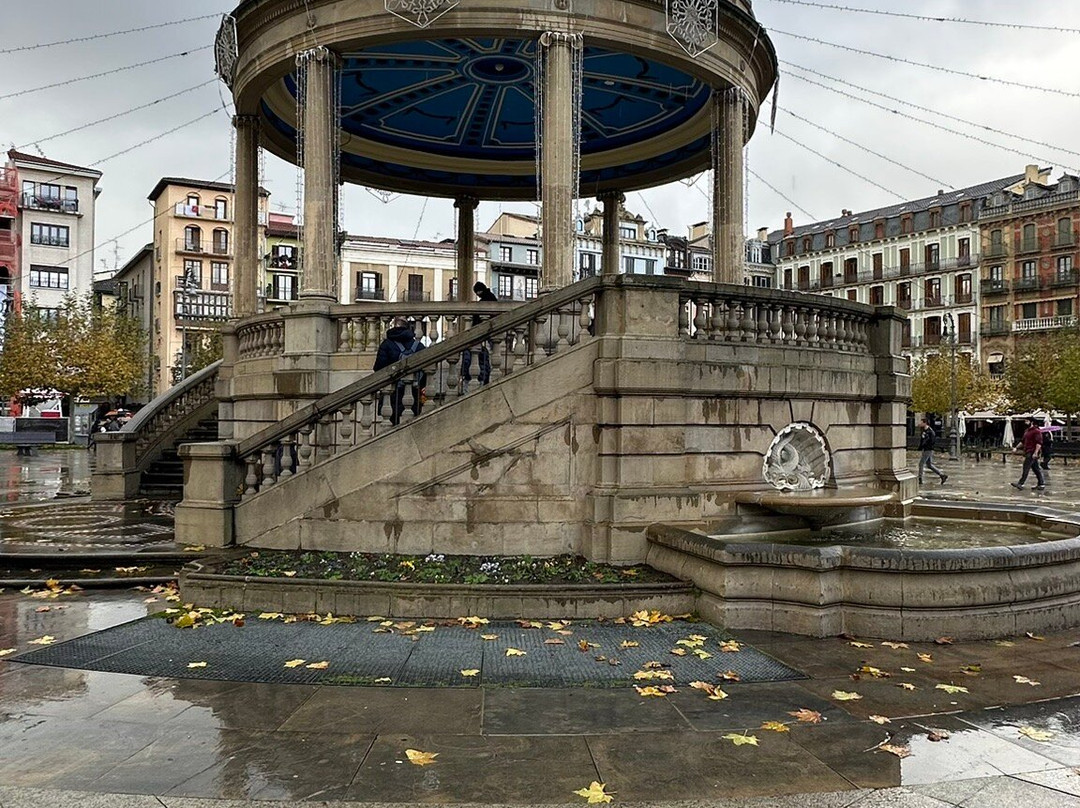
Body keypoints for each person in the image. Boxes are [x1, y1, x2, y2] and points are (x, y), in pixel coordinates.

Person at [373, 318, 425, 425]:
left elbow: (378, 368)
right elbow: (426, 370)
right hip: (413, 393)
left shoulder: (386, 345)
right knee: (412, 424)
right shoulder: (418, 345)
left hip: (392, 394)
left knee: (391, 426)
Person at [462, 281, 497, 389]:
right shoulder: (491, 298)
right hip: (488, 331)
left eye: (477, 292)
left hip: (485, 332)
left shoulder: (484, 301)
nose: (477, 294)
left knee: (485, 354)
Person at [1011, 418, 1046, 491]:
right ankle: (1041, 484)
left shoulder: (1036, 431)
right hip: (1027, 451)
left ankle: (1021, 483)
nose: (1025, 422)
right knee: (1036, 468)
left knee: (1026, 467)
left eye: (1027, 421)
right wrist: (1016, 448)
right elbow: (1023, 441)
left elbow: (1039, 443)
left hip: (1032, 452)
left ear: (1032, 422)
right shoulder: (1027, 431)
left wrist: (1036, 452)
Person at [917, 417, 948, 485]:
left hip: (928, 449)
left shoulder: (930, 431)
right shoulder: (924, 431)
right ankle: (942, 475)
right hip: (926, 449)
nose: (919, 423)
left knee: (921, 463)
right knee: (929, 465)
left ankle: (920, 478)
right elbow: (923, 440)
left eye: (921, 422)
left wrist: (925, 446)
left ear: (925, 423)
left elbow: (931, 440)